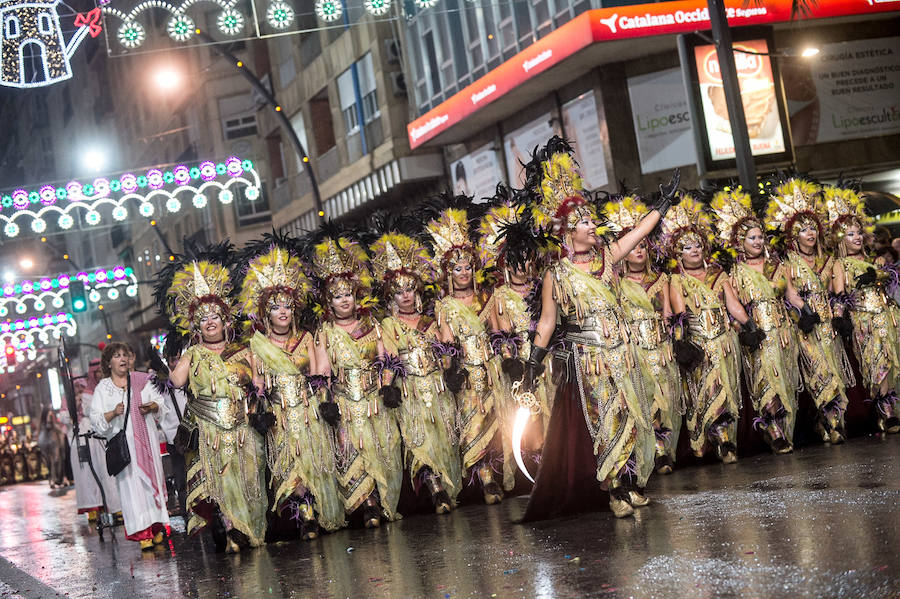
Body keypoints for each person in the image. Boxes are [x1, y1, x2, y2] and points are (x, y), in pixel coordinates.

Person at [521, 138, 674, 520]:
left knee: (631, 413)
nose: (594, 227)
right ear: (569, 231)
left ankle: (631, 481)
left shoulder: (607, 257)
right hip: (589, 360)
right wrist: (532, 363)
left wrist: (661, 207)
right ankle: (613, 489)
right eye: (586, 222)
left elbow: (636, 235)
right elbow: (547, 321)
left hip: (623, 353)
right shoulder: (557, 274)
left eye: (592, 221)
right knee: (604, 420)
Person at [238, 239, 345, 539]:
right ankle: (305, 513)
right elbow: (257, 386)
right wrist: (260, 413)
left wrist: (326, 402)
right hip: (279, 415)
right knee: (291, 465)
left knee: (314, 463)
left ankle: (316, 511)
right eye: (275, 307)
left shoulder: (307, 339)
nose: (282, 312)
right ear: (266, 312)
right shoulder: (257, 346)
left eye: (287, 306)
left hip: (308, 411)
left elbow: (318, 374)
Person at [164, 257, 267, 552]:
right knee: (223, 482)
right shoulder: (193, 352)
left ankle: (250, 529)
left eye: (215, 317)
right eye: (203, 319)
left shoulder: (243, 350)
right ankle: (232, 529)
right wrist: (175, 359)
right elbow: (177, 382)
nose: (210, 322)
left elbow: (258, 385)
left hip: (243, 427)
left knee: (249, 479)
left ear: (225, 321)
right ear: (197, 325)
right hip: (210, 431)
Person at [310, 236, 404, 528]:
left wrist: (388, 385)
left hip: (375, 400)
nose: (345, 300)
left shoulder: (371, 324)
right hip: (345, 403)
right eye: (338, 296)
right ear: (329, 301)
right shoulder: (324, 332)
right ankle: (368, 504)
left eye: (348, 294)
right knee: (352, 451)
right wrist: (326, 403)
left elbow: (386, 358)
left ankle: (382, 499)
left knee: (383, 448)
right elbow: (322, 372)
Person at [370, 231, 462, 514]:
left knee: (444, 440)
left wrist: (450, 370)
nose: (406, 295)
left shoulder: (430, 320)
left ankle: (447, 487)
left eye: (410, 289)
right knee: (418, 443)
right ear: (391, 297)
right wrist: (387, 387)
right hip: (409, 393)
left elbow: (446, 349)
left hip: (437, 389)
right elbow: (388, 358)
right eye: (399, 291)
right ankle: (435, 490)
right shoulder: (387, 325)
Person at [426, 203, 508, 504]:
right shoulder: (445, 306)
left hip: (492, 370)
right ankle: (486, 479)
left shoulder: (487, 296)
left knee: (500, 422)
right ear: (448, 273)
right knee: (474, 424)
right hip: (467, 377)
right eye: (457, 268)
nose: (463, 272)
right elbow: (447, 342)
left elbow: (500, 332)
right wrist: (450, 370)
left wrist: (508, 359)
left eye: (467, 267)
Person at [711, 187, 801, 454]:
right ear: (740, 242)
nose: (759, 242)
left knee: (785, 379)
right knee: (765, 380)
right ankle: (773, 430)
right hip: (757, 334)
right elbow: (733, 306)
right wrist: (747, 328)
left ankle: (785, 429)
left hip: (783, 331)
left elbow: (792, 295)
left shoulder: (778, 266)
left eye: (761, 236)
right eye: (752, 238)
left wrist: (808, 313)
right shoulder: (735, 273)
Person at [766, 178, 853, 443]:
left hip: (829, 324)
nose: (811, 233)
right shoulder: (787, 262)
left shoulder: (830, 260)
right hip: (804, 326)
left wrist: (838, 316)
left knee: (834, 370)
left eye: (813, 228)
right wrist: (805, 311)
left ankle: (831, 420)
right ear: (794, 235)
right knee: (818, 371)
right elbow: (788, 292)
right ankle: (829, 420)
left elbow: (838, 292)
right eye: (804, 230)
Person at [603, 194, 683, 474]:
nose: (638, 251)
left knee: (663, 399)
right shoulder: (615, 284)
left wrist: (676, 341)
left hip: (659, 350)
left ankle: (662, 451)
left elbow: (669, 316)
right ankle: (641, 454)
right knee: (641, 401)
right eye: (633, 247)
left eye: (643, 246)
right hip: (633, 352)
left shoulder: (660, 280)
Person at [662, 195, 743, 465]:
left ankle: (725, 440)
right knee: (702, 393)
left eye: (697, 244)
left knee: (725, 389)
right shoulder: (675, 280)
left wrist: (750, 326)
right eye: (687, 247)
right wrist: (681, 343)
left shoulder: (718, 274)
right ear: (677, 253)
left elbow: (733, 305)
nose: (694, 250)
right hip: (698, 345)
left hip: (723, 342)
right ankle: (707, 440)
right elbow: (678, 314)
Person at [827, 184, 900, 433]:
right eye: (850, 234)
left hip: (887, 318)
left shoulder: (873, 259)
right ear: (840, 239)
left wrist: (883, 273)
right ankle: (885, 410)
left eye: (859, 233)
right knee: (876, 363)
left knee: (891, 361)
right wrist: (840, 322)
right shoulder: (839, 265)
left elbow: (890, 287)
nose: (857, 237)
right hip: (863, 322)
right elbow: (838, 297)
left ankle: (891, 406)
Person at [89, 343, 169, 550]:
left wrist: (150, 407)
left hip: (147, 442)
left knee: (152, 485)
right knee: (132, 488)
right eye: (117, 356)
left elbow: (160, 403)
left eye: (125, 355)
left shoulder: (143, 380)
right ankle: (143, 533)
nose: (122, 358)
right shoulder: (103, 388)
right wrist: (113, 413)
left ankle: (156, 528)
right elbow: (96, 419)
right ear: (109, 363)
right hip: (125, 448)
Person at [69, 378, 122, 520]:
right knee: (87, 476)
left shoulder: (95, 393)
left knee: (107, 473)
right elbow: (66, 417)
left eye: (81, 386)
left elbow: (95, 412)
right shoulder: (70, 400)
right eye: (77, 386)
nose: (79, 388)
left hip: (99, 438)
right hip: (82, 440)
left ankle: (116, 507)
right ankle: (94, 507)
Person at [38, 406, 69, 489]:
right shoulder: (42, 422)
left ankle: (62, 477)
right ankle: (52, 478)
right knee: (49, 461)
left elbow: (54, 424)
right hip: (46, 434)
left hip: (54, 432)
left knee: (59, 458)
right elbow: (43, 426)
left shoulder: (51, 415)